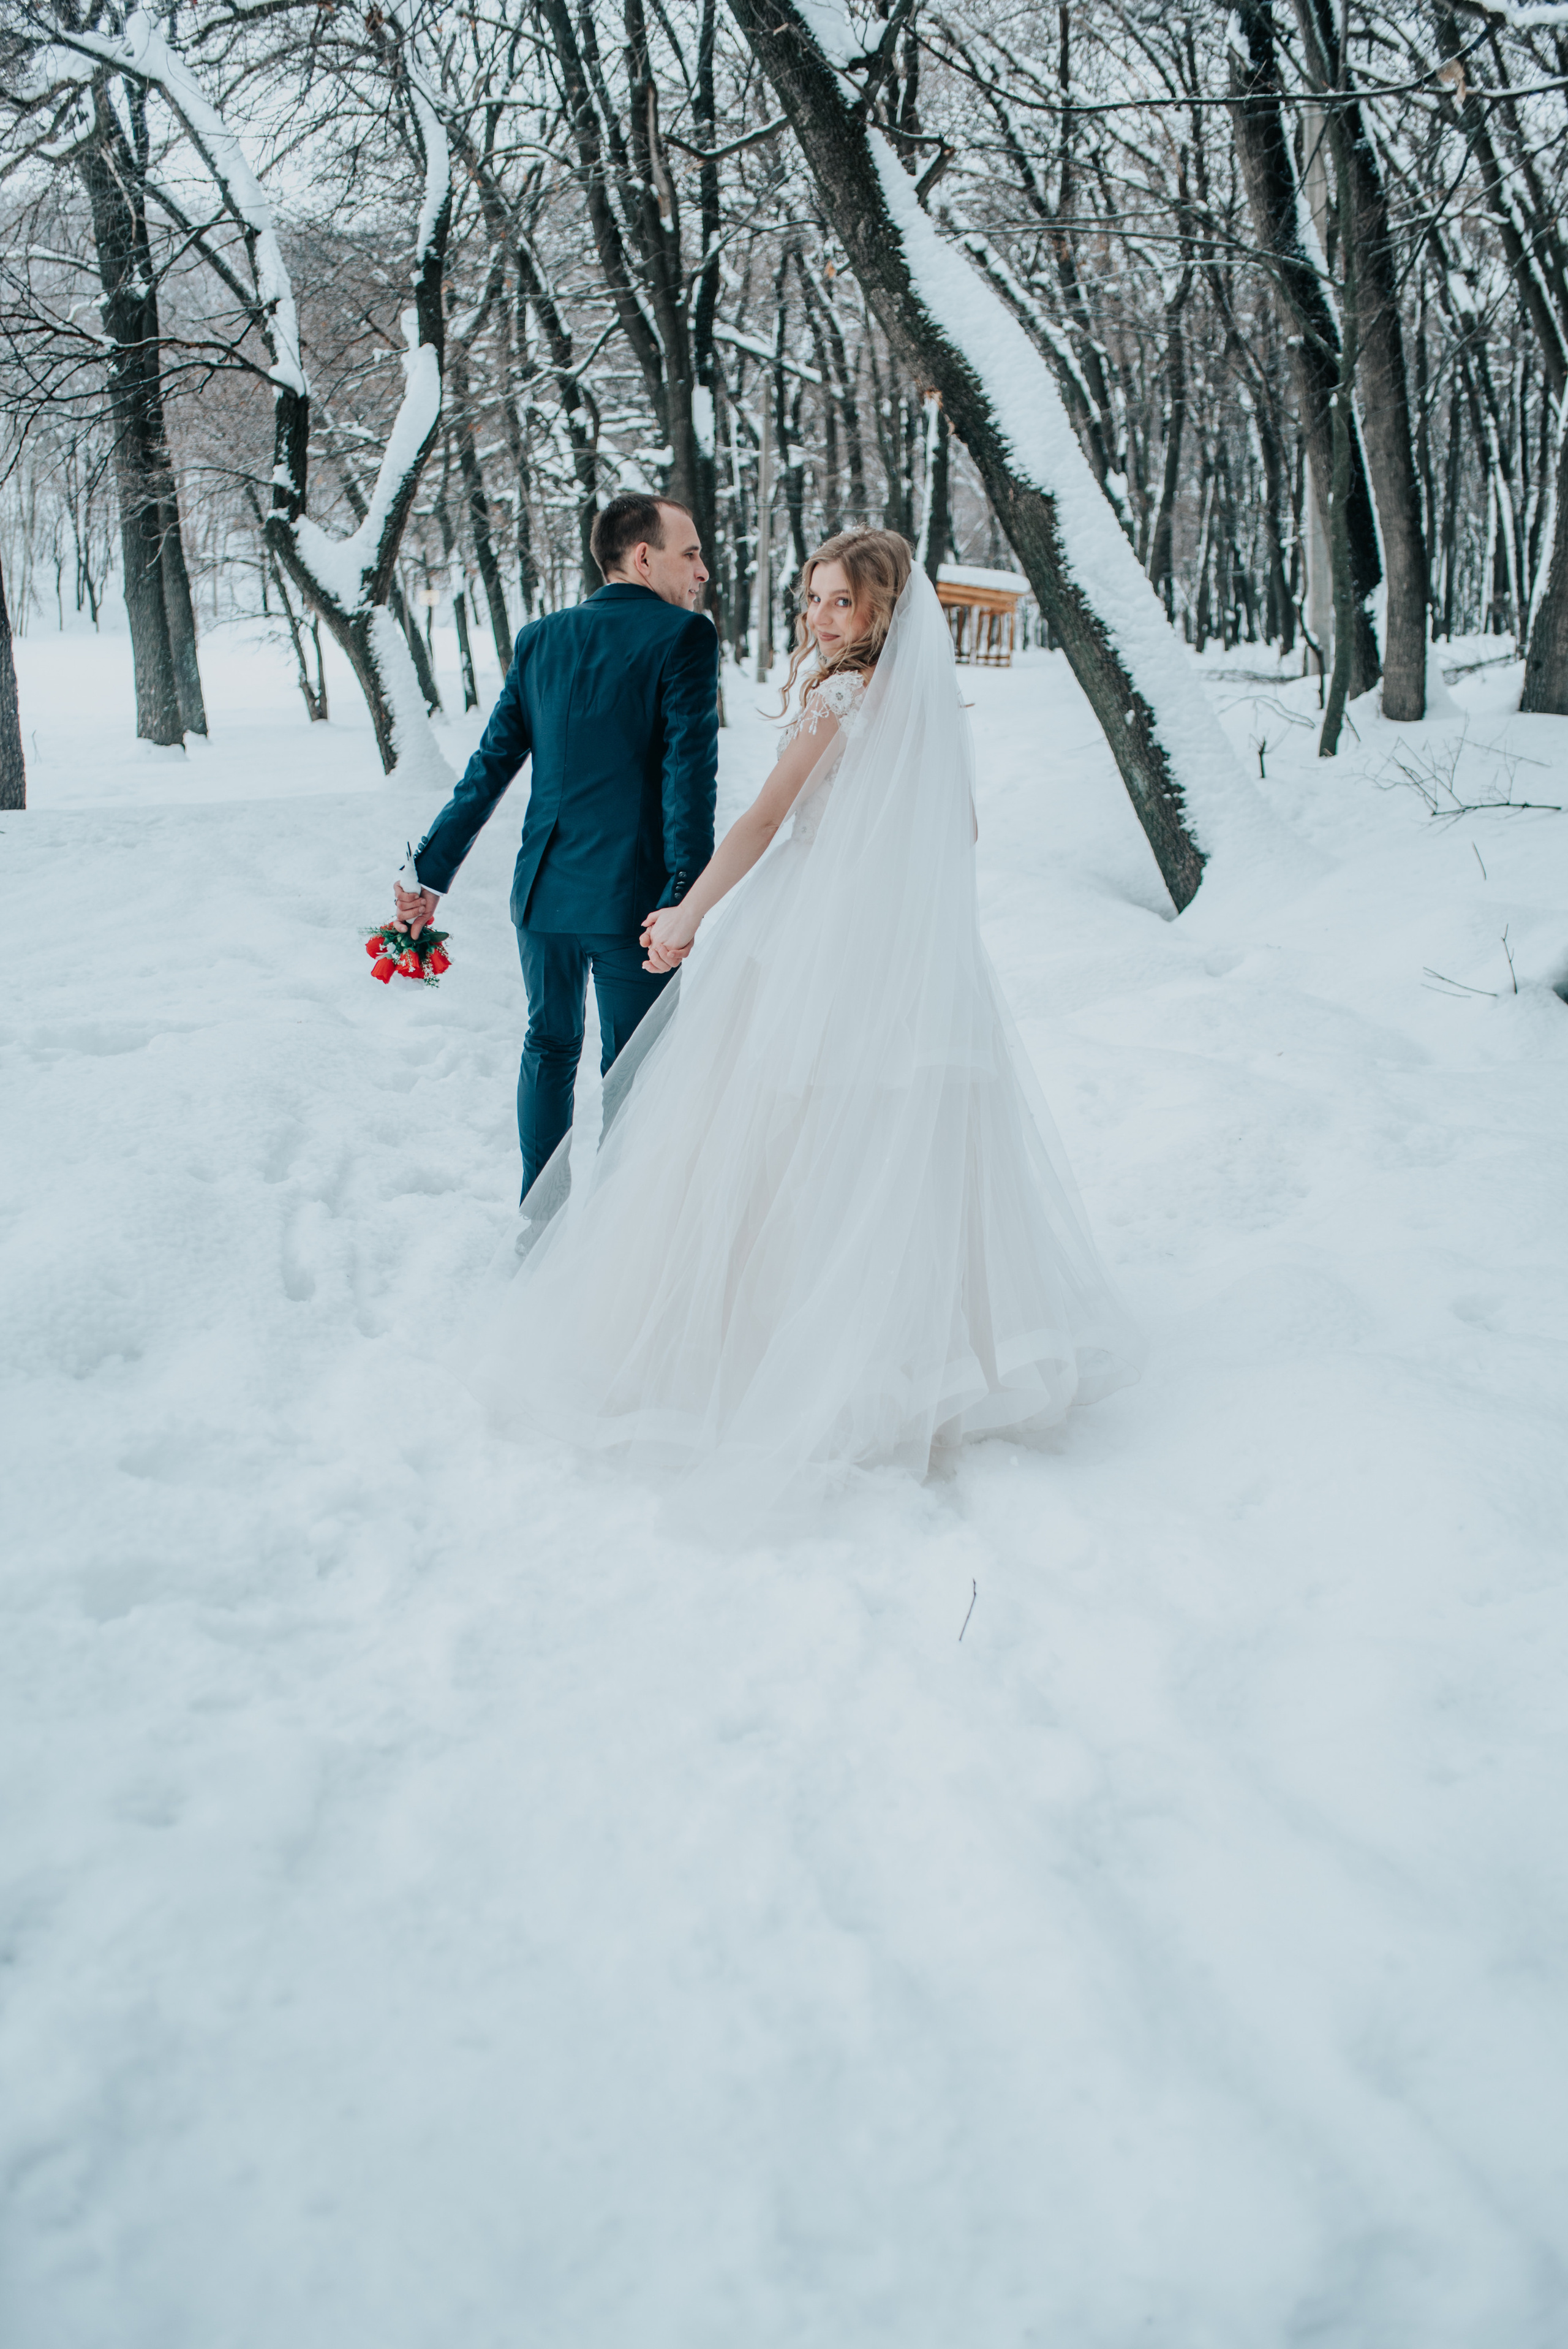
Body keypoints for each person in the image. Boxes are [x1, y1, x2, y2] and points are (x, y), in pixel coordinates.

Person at [465, 527, 1142, 1525]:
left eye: (839, 603)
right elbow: (959, 833)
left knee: (780, 1136)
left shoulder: (837, 696)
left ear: (881, 614)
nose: (818, 617)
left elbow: (767, 818)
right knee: (878, 1145)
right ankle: (905, 1356)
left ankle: (768, 1352)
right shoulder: (923, 709)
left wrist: (690, 910)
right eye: (813, 598)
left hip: (815, 936)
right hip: (899, 945)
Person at [391, 493, 718, 1200]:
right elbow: (688, 778)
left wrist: (427, 873)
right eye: (689, 553)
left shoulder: (542, 637)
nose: (702, 571)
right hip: (637, 907)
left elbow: (489, 768)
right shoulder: (683, 637)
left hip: (542, 898)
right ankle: (618, 1245)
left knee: (548, 1048)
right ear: (642, 557)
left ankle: (541, 1227)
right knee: (637, 1073)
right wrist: (684, 901)